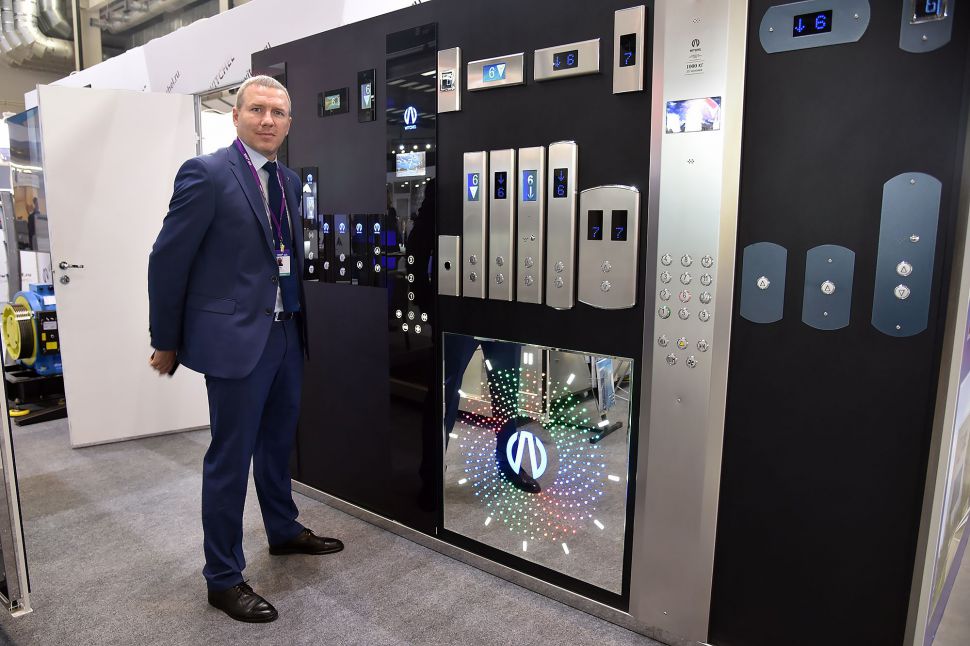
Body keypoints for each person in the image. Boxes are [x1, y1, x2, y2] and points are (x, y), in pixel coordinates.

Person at [147, 75, 343, 624]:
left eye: (278, 113)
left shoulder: (289, 180)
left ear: (289, 123)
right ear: (236, 116)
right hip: (236, 340)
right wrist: (166, 340)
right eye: (257, 109)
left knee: (278, 444)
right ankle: (223, 577)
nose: (268, 120)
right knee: (230, 458)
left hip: (285, 331)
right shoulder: (206, 174)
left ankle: (281, 529)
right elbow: (167, 259)